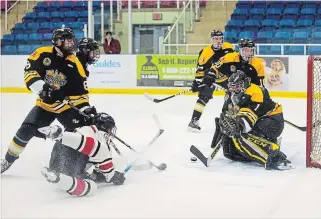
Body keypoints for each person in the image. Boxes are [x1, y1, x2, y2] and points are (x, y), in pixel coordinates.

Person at [0, 28, 92, 174]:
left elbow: (80, 93)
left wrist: (85, 108)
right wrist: (44, 88)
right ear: (58, 41)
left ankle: (78, 165)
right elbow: (30, 74)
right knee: (25, 130)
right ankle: (7, 160)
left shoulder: (74, 62)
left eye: (71, 40)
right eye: (67, 40)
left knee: (79, 132)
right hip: (45, 105)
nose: (71, 43)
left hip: (65, 107)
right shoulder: (42, 54)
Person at [218, 70, 291, 170]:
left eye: (238, 85)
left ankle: (274, 155)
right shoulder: (232, 95)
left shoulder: (255, 91)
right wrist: (222, 131)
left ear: (245, 83)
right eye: (233, 86)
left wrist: (238, 125)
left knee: (241, 135)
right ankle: (265, 145)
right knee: (232, 151)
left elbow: (249, 116)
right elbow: (227, 115)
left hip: (272, 121)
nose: (235, 89)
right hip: (258, 121)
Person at [40, 112, 126, 197]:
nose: (111, 132)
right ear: (106, 128)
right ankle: (59, 180)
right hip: (72, 164)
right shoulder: (101, 140)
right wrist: (114, 176)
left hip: (56, 163)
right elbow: (107, 171)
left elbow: (98, 169)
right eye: (110, 129)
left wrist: (98, 176)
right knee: (92, 186)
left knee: (89, 152)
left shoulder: (83, 129)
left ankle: (57, 177)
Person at [188, 30, 234, 132]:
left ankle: (230, 120)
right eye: (215, 39)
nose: (218, 41)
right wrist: (197, 82)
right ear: (211, 40)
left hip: (226, 77)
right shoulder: (205, 52)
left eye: (220, 39)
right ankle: (194, 121)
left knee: (233, 95)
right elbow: (200, 70)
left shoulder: (229, 47)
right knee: (204, 96)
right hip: (210, 78)